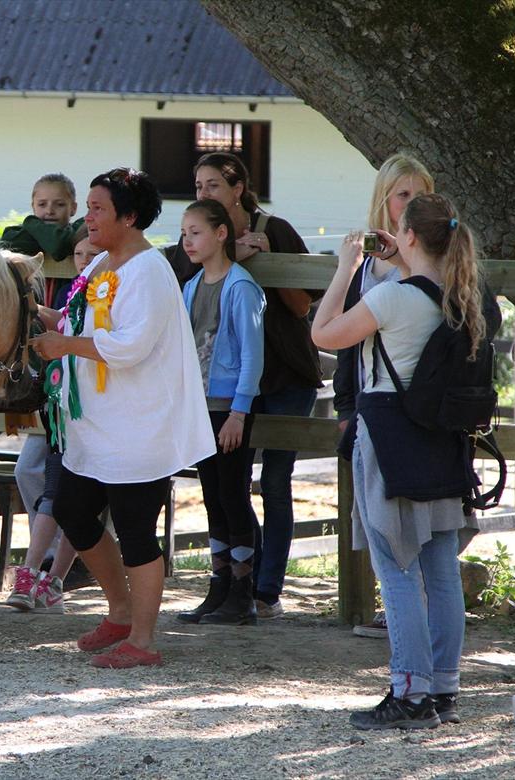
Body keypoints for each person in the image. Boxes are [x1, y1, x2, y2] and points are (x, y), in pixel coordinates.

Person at [312, 193, 487, 730]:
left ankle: (409, 692)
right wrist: (396, 261)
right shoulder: (462, 298)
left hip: (388, 435)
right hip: (440, 441)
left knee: (395, 568)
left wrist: (345, 269)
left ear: (409, 235)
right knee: (439, 570)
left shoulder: (390, 298)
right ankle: (441, 689)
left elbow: (324, 334)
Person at [31, 168, 212, 669]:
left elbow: (131, 346)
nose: (86, 217)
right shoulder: (100, 266)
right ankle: (119, 612)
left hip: (140, 425)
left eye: (97, 209)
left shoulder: (150, 270)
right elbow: (73, 320)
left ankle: (145, 640)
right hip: (98, 423)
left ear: (129, 217)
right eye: (87, 207)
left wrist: (64, 343)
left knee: (136, 530)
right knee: (71, 509)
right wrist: (38, 318)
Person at [168, 152, 322, 619]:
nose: (203, 193)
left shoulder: (265, 242)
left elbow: (301, 304)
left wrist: (262, 258)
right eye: (197, 185)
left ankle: (262, 589)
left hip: (274, 377)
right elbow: (181, 281)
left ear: (238, 188)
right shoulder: (199, 269)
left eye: (212, 184)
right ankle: (229, 586)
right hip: (217, 391)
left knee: (269, 484)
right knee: (218, 490)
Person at [331, 153, 435, 639]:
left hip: (416, 400)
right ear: (384, 200)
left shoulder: (432, 262)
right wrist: (346, 406)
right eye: (402, 195)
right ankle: (388, 609)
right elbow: (346, 347)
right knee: (373, 512)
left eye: (419, 195)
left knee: (423, 520)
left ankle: (413, 630)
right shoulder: (364, 263)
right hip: (369, 400)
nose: (410, 205)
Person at [175, 199, 265, 626]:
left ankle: (243, 591)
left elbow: (252, 355)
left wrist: (239, 412)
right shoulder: (192, 286)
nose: (188, 240)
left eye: (196, 232)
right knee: (211, 496)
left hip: (229, 409)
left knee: (233, 494)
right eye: (184, 232)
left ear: (221, 234)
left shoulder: (241, 287)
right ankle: (219, 586)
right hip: (200, 406)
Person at [6, 223, 102, 614]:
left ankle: (53, 577)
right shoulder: (78, 293)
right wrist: (31, 305)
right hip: (65, 406)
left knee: (76, 498)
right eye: (80, 255)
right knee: (55, 488)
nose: (85, 262)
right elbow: (62, 319)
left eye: (93, 256)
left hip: (98, 407)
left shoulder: (111, 293)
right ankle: (35, 573)